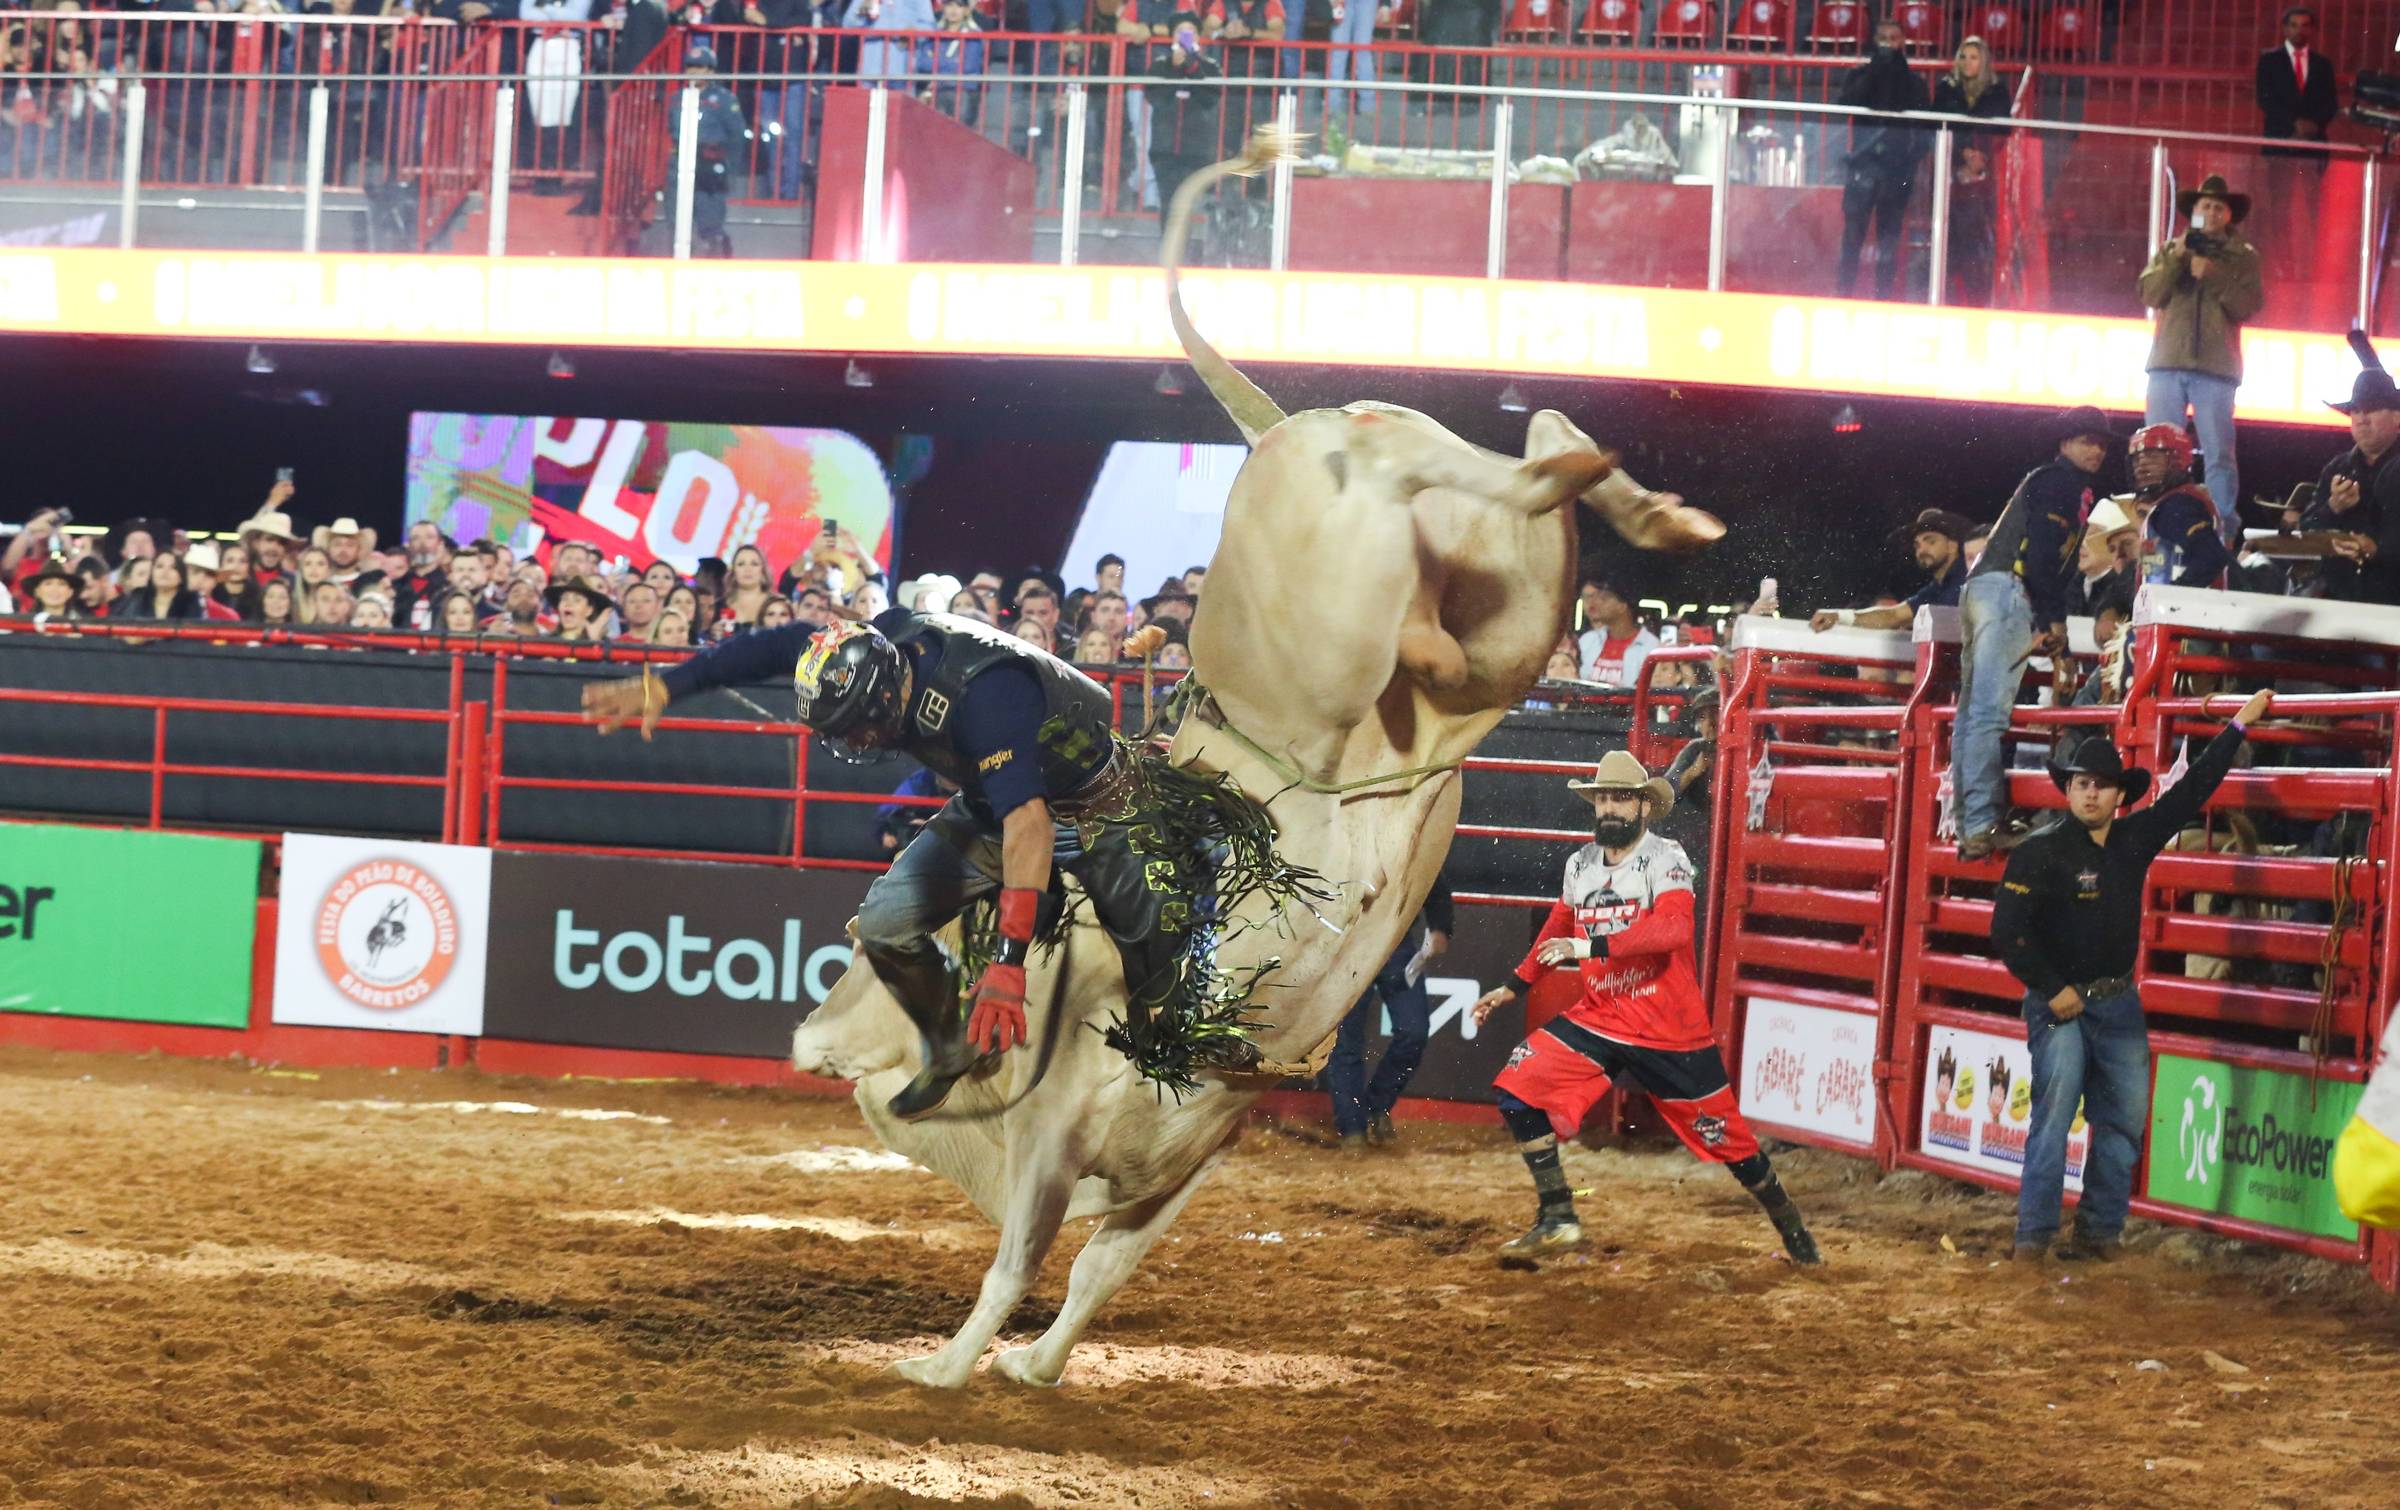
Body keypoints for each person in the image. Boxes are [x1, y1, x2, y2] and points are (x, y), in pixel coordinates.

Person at [581, 612, 1314, 1115]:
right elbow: (780, 645)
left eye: (863, 727)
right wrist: (669, 685)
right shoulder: (873, 646)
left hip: (1101, 810)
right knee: (886, 923)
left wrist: (1007, 962)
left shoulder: (984, 695)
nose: (864, 743)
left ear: (888, 693)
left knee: (1162, 987)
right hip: (997, 805)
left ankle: (1198, 1032)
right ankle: (950, 1040)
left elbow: (1031, 825)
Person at [1470, 752, 1821, 1265]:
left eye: (1621, 798)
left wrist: (1590, 948)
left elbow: (1674, 930)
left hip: (1667, 1028)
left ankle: (1792, 1228)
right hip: (1601, 1015)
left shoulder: (1667, 858)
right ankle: (1558, 1216)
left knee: (1733, 1144)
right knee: (1518, 1090)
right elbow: (1558, 930)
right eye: (1603, 798)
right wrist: (1512, 987)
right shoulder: (1580, 864)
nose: (1610, 807)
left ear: (1642, 806)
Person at [1991, 693, 2271, 1261]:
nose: (2090, 792)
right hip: (2062, 1004)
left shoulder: (2132, 841)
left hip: (2115, 1002)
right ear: (2068, 791)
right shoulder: (2039, 853)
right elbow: (2008, 932)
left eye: (2100, 783)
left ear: (2119, 794)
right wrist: (2053, 987)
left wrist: (2237, 727)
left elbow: (2193, 789)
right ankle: (2036, 1238)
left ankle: (2097, 1236)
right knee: (2055, 1119)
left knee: (2120, 1125)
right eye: (2081, 783)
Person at [1951, 408, 2112, 861]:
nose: (2095, 449)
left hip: (1987, 587)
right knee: (1986, 714)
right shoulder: (2060, 484)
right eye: (2085, 440)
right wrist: (2053, 620)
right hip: (2007, 589)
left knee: (1973, 714)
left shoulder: (2048, 480)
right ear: (2064, 444)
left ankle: (1972, 825)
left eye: (2100, 443)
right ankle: (1980, 822)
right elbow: (2040, 556)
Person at [2141, 175, 2263, 551]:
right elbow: (2149, 293)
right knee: (2158, 450)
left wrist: (2215, 277)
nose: (2210, 212)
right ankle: (2157, 522)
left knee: (2219, 452)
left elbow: (2249, 306)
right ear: (2192, 213)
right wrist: (2177, 257)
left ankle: (2221, 531)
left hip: (2216, 368)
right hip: (2167, 363)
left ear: (2229, 216)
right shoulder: (2171, 248)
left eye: (2217, 207)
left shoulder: (2243, 255)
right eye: (2204, 206)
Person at [1327, 872, 1452, 1152]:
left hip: (1393, 942)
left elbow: (1434, 883)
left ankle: (1373, 1107)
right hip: (1350, 946)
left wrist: (1440, 927)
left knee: (1414, 1032)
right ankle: (1353, 1127)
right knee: (1348, 1041)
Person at [1836, 16, 1930, 301]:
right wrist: (1877, 70)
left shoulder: (1914, 82)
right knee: (1853, 236)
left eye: (1894, 39)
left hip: (1897, 171)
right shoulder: (1859, 75)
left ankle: (1884, 299)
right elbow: (1847, 104)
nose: (1888, 44)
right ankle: (1844, 296)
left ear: (1904, 42)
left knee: (1889, 240)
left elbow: (1924, 126)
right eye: (1883, 39)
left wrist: (1911, 158)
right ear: (1874, 42)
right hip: (1863, 167)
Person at [2298, 369, 2400, 605]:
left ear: (2397, 417)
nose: (2362, 419)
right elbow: (2306, 530)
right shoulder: (2337, 467)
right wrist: (2333, 507)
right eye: (2356, 411)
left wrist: (2378, 551)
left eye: (2373, 409)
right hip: (2339, 601)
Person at [1929, 37, 2011, 308]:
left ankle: (1978, 306)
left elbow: (2002, 131)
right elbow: (1935, 128)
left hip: (1986, 177)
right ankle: (1945, 302)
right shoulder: (1945, 89)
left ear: (1984, 61)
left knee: (1978, 247)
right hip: (1949, 172)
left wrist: (1981, 157)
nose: (1967, 62)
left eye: (1974, 57)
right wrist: (1963, 153)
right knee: (1948, 244)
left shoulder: (1997, 91)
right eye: (1963, 56)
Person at [1810, 508, 1973, 631]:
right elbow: (1894, 615)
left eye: (1930, 541)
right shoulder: (1935, 589)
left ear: (1952, 546)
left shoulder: (1971, 578)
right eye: (1917, 545)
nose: (1921, 550)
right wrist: (1839, 616)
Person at [2125, 424, 2231, 589]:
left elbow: (2212, 557)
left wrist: (2173, 596)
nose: (2141, 466)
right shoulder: (2175, 501)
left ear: (2178, 459)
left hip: (2187, 612)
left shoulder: (2178, 504)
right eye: (2137, 459)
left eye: (2152, 456)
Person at [1146, 14, 1225, 232]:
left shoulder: (1210, 67)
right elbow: (1155, 97)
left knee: (1194, 207)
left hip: (1197, 150)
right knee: (1168, 204)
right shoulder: (1159, 66)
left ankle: (1191, 257)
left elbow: (1210, 98)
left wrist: (1192, 68)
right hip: (1165, 149)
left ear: (1198, 36)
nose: (1184, 36)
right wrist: (1174, 68)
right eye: (1180, 31)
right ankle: (1168, 255)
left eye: (1189, 32)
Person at [674, 46, 748, 259]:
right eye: (690, 66)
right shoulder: (678, 97)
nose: (694, 71)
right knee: (677, 220)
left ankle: (718, 257)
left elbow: (736, 135)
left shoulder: (723, 99)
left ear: (711, 71)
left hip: (711, 166)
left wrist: (729, 169)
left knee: (710, 221)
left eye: (700, 67)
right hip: (682, 164)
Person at [2255, 8, 2337, 159]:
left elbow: (2330, 103)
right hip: (2279, 140)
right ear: (2285, 29)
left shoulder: (2323, 64)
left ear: (2312, 30)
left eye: (2305, 25)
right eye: (2294, 25)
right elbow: (2265, 99)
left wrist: (2311, 127)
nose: (2300, 30)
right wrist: (2295, 122)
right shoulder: (2269, 60)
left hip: (2314, 143)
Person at [1575, 577, 1656, 687]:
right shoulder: (1588, 640)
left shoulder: (1650, 646)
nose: (1597, 603)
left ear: (1622, 607)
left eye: (1604, 599)